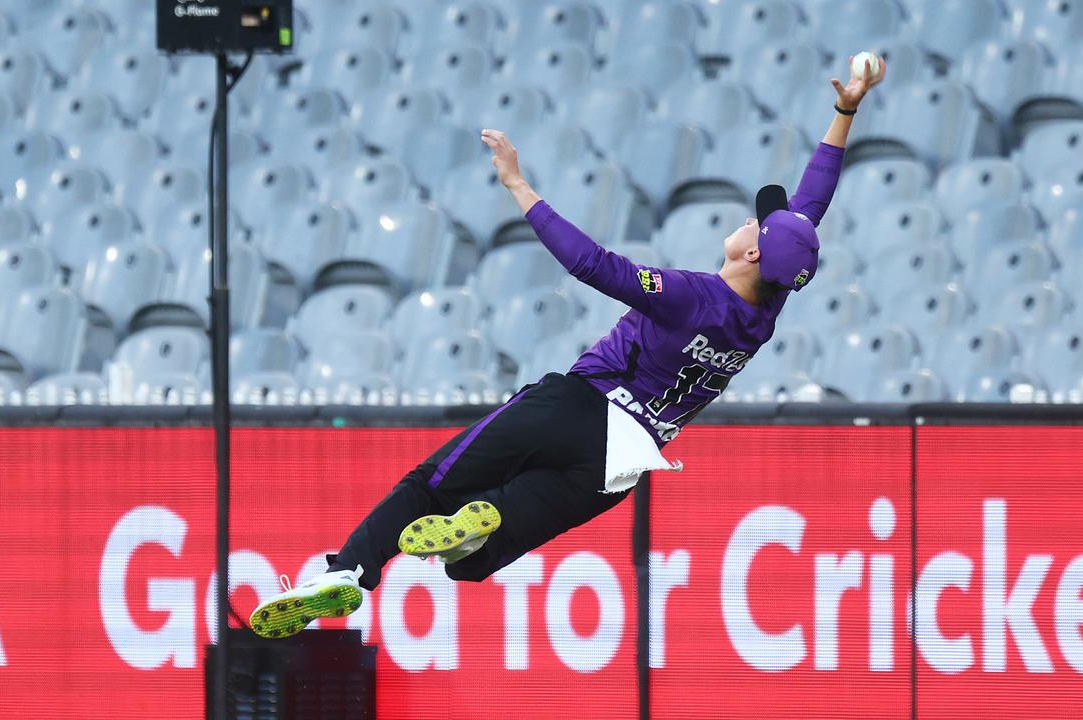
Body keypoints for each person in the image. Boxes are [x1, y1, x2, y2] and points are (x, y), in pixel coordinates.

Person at [249, 57, 886, 638]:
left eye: (755, 223)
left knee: (424, 487)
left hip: (578, 408)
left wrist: (519, 187)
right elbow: (811, 204)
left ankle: (347, 574)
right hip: (618, 468)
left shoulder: (691, 295)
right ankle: (476, 532)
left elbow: (593, 264)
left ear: (752, 252)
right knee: (467, 570)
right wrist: (845, 111)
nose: (749, 218)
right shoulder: (766, 306)